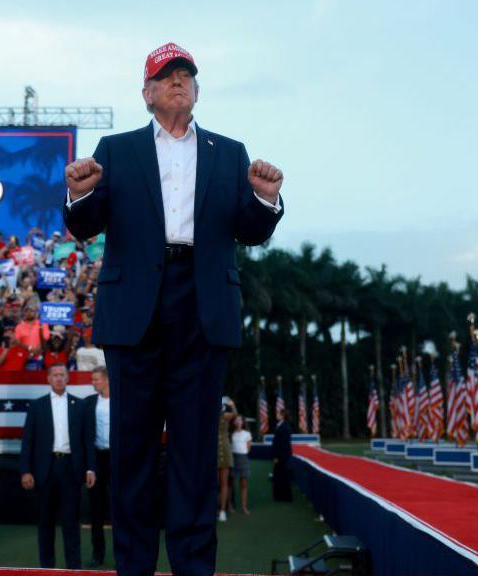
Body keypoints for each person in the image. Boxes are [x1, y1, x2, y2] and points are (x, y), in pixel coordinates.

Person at [62, 42, 285, 576]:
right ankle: (133, 568)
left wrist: (264, 198)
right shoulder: (116, 150)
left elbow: (250, 233)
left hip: (203, 308)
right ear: (147, 94)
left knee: (194, 458)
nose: (178, 82)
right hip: (135, 308)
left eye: (186, 75)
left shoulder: (229, 154)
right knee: (133, 455)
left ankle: (193, 569)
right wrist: (78, 193)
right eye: (166, 76)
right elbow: (86, 224)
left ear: (197, 90)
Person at [19, 364, 96, 569]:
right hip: (45, 469)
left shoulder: (81, 406)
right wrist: (25, 470)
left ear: (68, 378)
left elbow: (88, 440)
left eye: (62, 375)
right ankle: (47, 567)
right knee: (46, 522)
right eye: (55, 375)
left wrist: (91, 469)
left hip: (71, 469)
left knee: (71, 522)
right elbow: (28, 441)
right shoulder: (37, 406)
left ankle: (73, 568)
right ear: (48, 379)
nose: (59, 378)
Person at [85, 365, 111, 567]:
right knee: (96, 512)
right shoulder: (89, 403)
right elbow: (86, 439)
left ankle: (124, 553)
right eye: (92, 379)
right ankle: (98, 553)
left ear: (107, 380)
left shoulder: (122, 401)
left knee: (121, 509)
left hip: (117, 461)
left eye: (96, 379)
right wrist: (90, 468)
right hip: (97, 461)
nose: (93, 383)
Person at [217, 396, 236, 522]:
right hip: (211, 451)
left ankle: (223, 510)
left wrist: (232, 403)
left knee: (224, 482)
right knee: (214, 484)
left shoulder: (224, 416)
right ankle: (214, 509)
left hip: (224, 449)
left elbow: (234, 414)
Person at [230, 415, 252, 514]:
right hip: (233, 459)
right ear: (234, 422)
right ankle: (229, 506)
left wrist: (242, 452)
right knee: (230, 484)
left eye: (240, 420)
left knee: (243, 485)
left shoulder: (247, 433)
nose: (238, 422)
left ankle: (244, 507)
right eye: (236, 420)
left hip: (243, 459)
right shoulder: (230, 434)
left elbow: (248, 448)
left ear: (242, 422)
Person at [271, 408, 293, 502]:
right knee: (278, 475)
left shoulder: (285, 427)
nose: (277, 415)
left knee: (283, 475)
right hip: (280, 454)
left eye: (279, 414)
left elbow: (283, 443)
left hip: (283, 455)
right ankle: (279, 495)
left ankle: (285, 496)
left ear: (282, 416)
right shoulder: (279, 425)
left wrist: (277, 456)